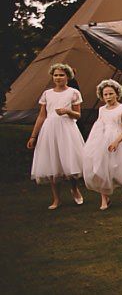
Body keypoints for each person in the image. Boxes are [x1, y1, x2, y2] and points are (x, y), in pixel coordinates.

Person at [27, 63, 85, 209]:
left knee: (69, 161)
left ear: (68, 77)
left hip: (67, 129)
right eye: (56, 75)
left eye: (61, 75)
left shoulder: (73, 93)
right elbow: (42, 116)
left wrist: (67, 111)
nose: (58, 77)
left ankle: (74, 188)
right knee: (52, 164)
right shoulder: (47, 94)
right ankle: (56, 199)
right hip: (49, 130)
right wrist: (33, 136)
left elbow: (78, 115)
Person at [83, 79, 122, 210]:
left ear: (117, 94)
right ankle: (104, 199)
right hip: (102, 140)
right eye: (105, 94)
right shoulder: (102, 110)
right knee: (100, 166)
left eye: (111, 94)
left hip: (118, 139)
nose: (108, 97)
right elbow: (99, 125)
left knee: (117, 167)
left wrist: (116, 141)